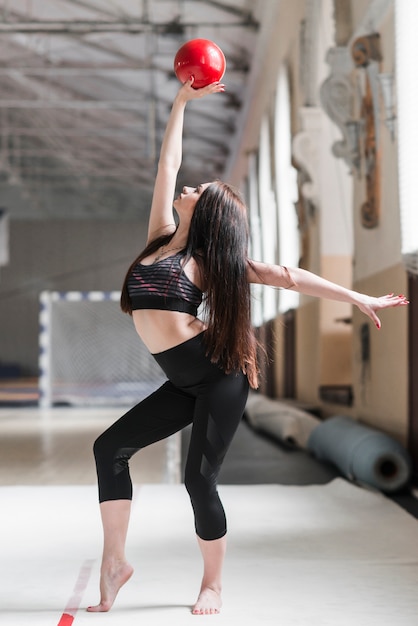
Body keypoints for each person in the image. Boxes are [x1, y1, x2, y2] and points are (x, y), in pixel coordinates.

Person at [87, 78, 408, 616]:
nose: (188, 186)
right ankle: (115, 562)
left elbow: (291, 278)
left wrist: (356, 296)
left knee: (199, 479)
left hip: (218, 377)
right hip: (182, 379)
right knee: (108, 449)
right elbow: (166, 166)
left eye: (200, 189)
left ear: (210, 212)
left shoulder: (213, 265)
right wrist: (181, 102)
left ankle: (212, 583)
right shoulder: (160, 237)